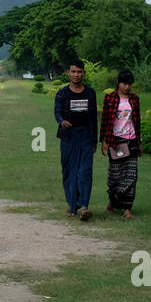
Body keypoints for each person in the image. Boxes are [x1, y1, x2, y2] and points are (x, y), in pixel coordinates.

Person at [54, 59, 97, 221]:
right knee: (69, 171)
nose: (76, 75)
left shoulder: (90, 93)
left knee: (85, 171)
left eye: (79, 71)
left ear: (84, 73)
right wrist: (61, 121)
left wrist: (95, 140)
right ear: (68, 73)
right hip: (68, 136)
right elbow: (57, 111)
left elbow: (93, 118)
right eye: (73, 71)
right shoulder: (62, 93)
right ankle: (72, 205)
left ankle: (84, 206)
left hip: (86, 136)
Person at [100, 69, 142, 219]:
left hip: (131, 140)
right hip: (115, 141)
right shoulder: (110, 98)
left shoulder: (134, 99)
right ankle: (113, 201)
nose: (127, 87)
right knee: (115, 176)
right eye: (124, 84)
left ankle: (127, 209)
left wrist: (139, 141)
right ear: (118, 83)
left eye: (129, 84)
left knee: (131, 175)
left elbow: (137, 122)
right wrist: (104, 140)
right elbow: (105, 121)